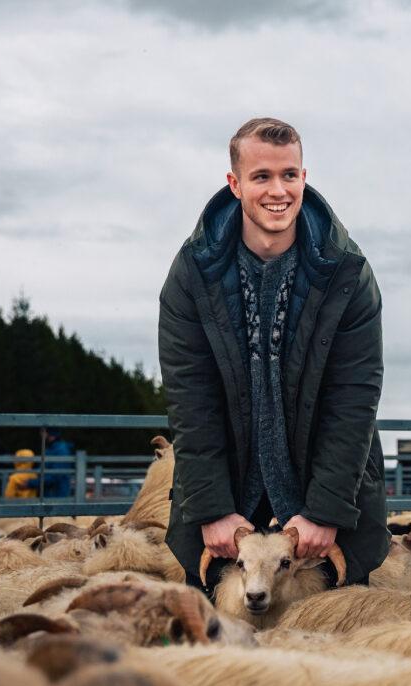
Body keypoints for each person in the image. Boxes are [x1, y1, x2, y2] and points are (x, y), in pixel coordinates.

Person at [159, 117, 388, 594]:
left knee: (339, 649)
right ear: (235, 183)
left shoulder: (347, 272)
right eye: (261, 177)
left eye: (289, 175)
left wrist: (326, 510)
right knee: (213, 654)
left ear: (304, 177)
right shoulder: (191, 276)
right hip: (227, 511)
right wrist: (212, 510)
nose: (277, 190)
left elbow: (354, 398)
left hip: (323, 513)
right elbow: (191, 399)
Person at [37, 429, 73, 498]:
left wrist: (30, 483)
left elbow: (55, 476)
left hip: (56, 494)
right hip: (51, 494)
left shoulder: (60, 450)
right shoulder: (51, 448)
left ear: (50, 434)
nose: (41, 435)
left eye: (43, 432)